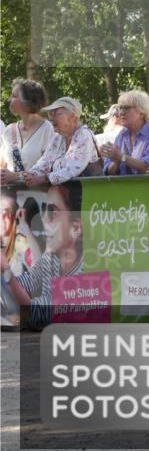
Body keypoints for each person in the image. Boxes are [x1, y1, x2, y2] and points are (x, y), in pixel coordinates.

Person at [1, 181, 84, 330]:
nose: (44, 218)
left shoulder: (84, 273)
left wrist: (6, 271)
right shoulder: (52, 258)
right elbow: (23, 284)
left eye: (52, 212)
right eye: (45, 210)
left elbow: (37, 315)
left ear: (76, 228)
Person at [22, 97, 101, 187]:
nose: (51, 119)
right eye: (50, 114)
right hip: (70, 192)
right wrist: (32, 174)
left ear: (72, 116)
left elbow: (73, 168)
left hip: (90, 193)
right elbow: (45, 161)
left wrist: (44, 178)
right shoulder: (58, 137)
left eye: (56, 114)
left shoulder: (84, 135)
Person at [0, 79, 56, 186]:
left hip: (40, 197)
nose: (9, 99)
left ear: (28, 101)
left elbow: (50, 168)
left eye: (14, 96)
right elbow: (2, 164)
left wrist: (16, 176)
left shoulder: (47, 130)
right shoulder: (8, 131)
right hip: (10, 196)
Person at [100, 90, 149, 175]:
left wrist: (121, 157)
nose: (121, 113)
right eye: (120, 108)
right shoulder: (121, 135)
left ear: (141, 112)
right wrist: (115, 162)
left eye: (126, 108)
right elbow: (109, 173)